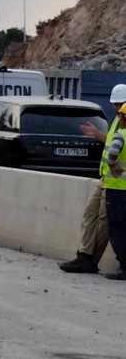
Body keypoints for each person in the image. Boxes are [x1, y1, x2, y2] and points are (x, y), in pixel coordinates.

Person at [59, 84, 126, 273]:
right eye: (115, 104)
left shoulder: (123, 120)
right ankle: (84, 255)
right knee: (90, 213)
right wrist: (97, 135)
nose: (116, 108)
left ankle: (90, 260)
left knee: (105, 222)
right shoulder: (118, 121)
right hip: (106, 178)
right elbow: (113, 143)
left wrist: (112, 165)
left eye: (119, 104)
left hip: (118, 182)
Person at [102, 102, 126, 280]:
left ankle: (124, 266)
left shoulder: (121, 134)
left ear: (123, 117)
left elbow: (113, 152)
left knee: (117, 230)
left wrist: (112, 165)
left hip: (117, 189)